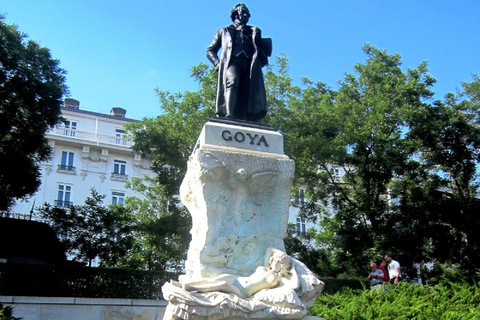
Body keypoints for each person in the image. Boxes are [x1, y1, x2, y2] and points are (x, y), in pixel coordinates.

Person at [206, 3, 271, 122]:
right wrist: (217, 63)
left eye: (247, 13)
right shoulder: (224, 31)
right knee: (232, 81)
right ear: (235, 14)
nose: (246, 15)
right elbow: (210, 50)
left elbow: (261, 49)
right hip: (232, 62)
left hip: (250, 64)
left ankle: (246, 117)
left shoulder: (254, 31)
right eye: (243, 12)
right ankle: (229, 115)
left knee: (247, 90)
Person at [172, 248, 299, 298]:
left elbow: (295, 286)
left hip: (242, 292)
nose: (273, 261)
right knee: (214, 280)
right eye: (274, 259)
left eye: (278, 261)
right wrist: (281, 253)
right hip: (237, 279)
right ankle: (186, 283)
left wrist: (293, 270)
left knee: (223, 284)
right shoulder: (265, 267)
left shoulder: (278, 279)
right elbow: (269, 250)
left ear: (283, 266)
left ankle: (188, 288)